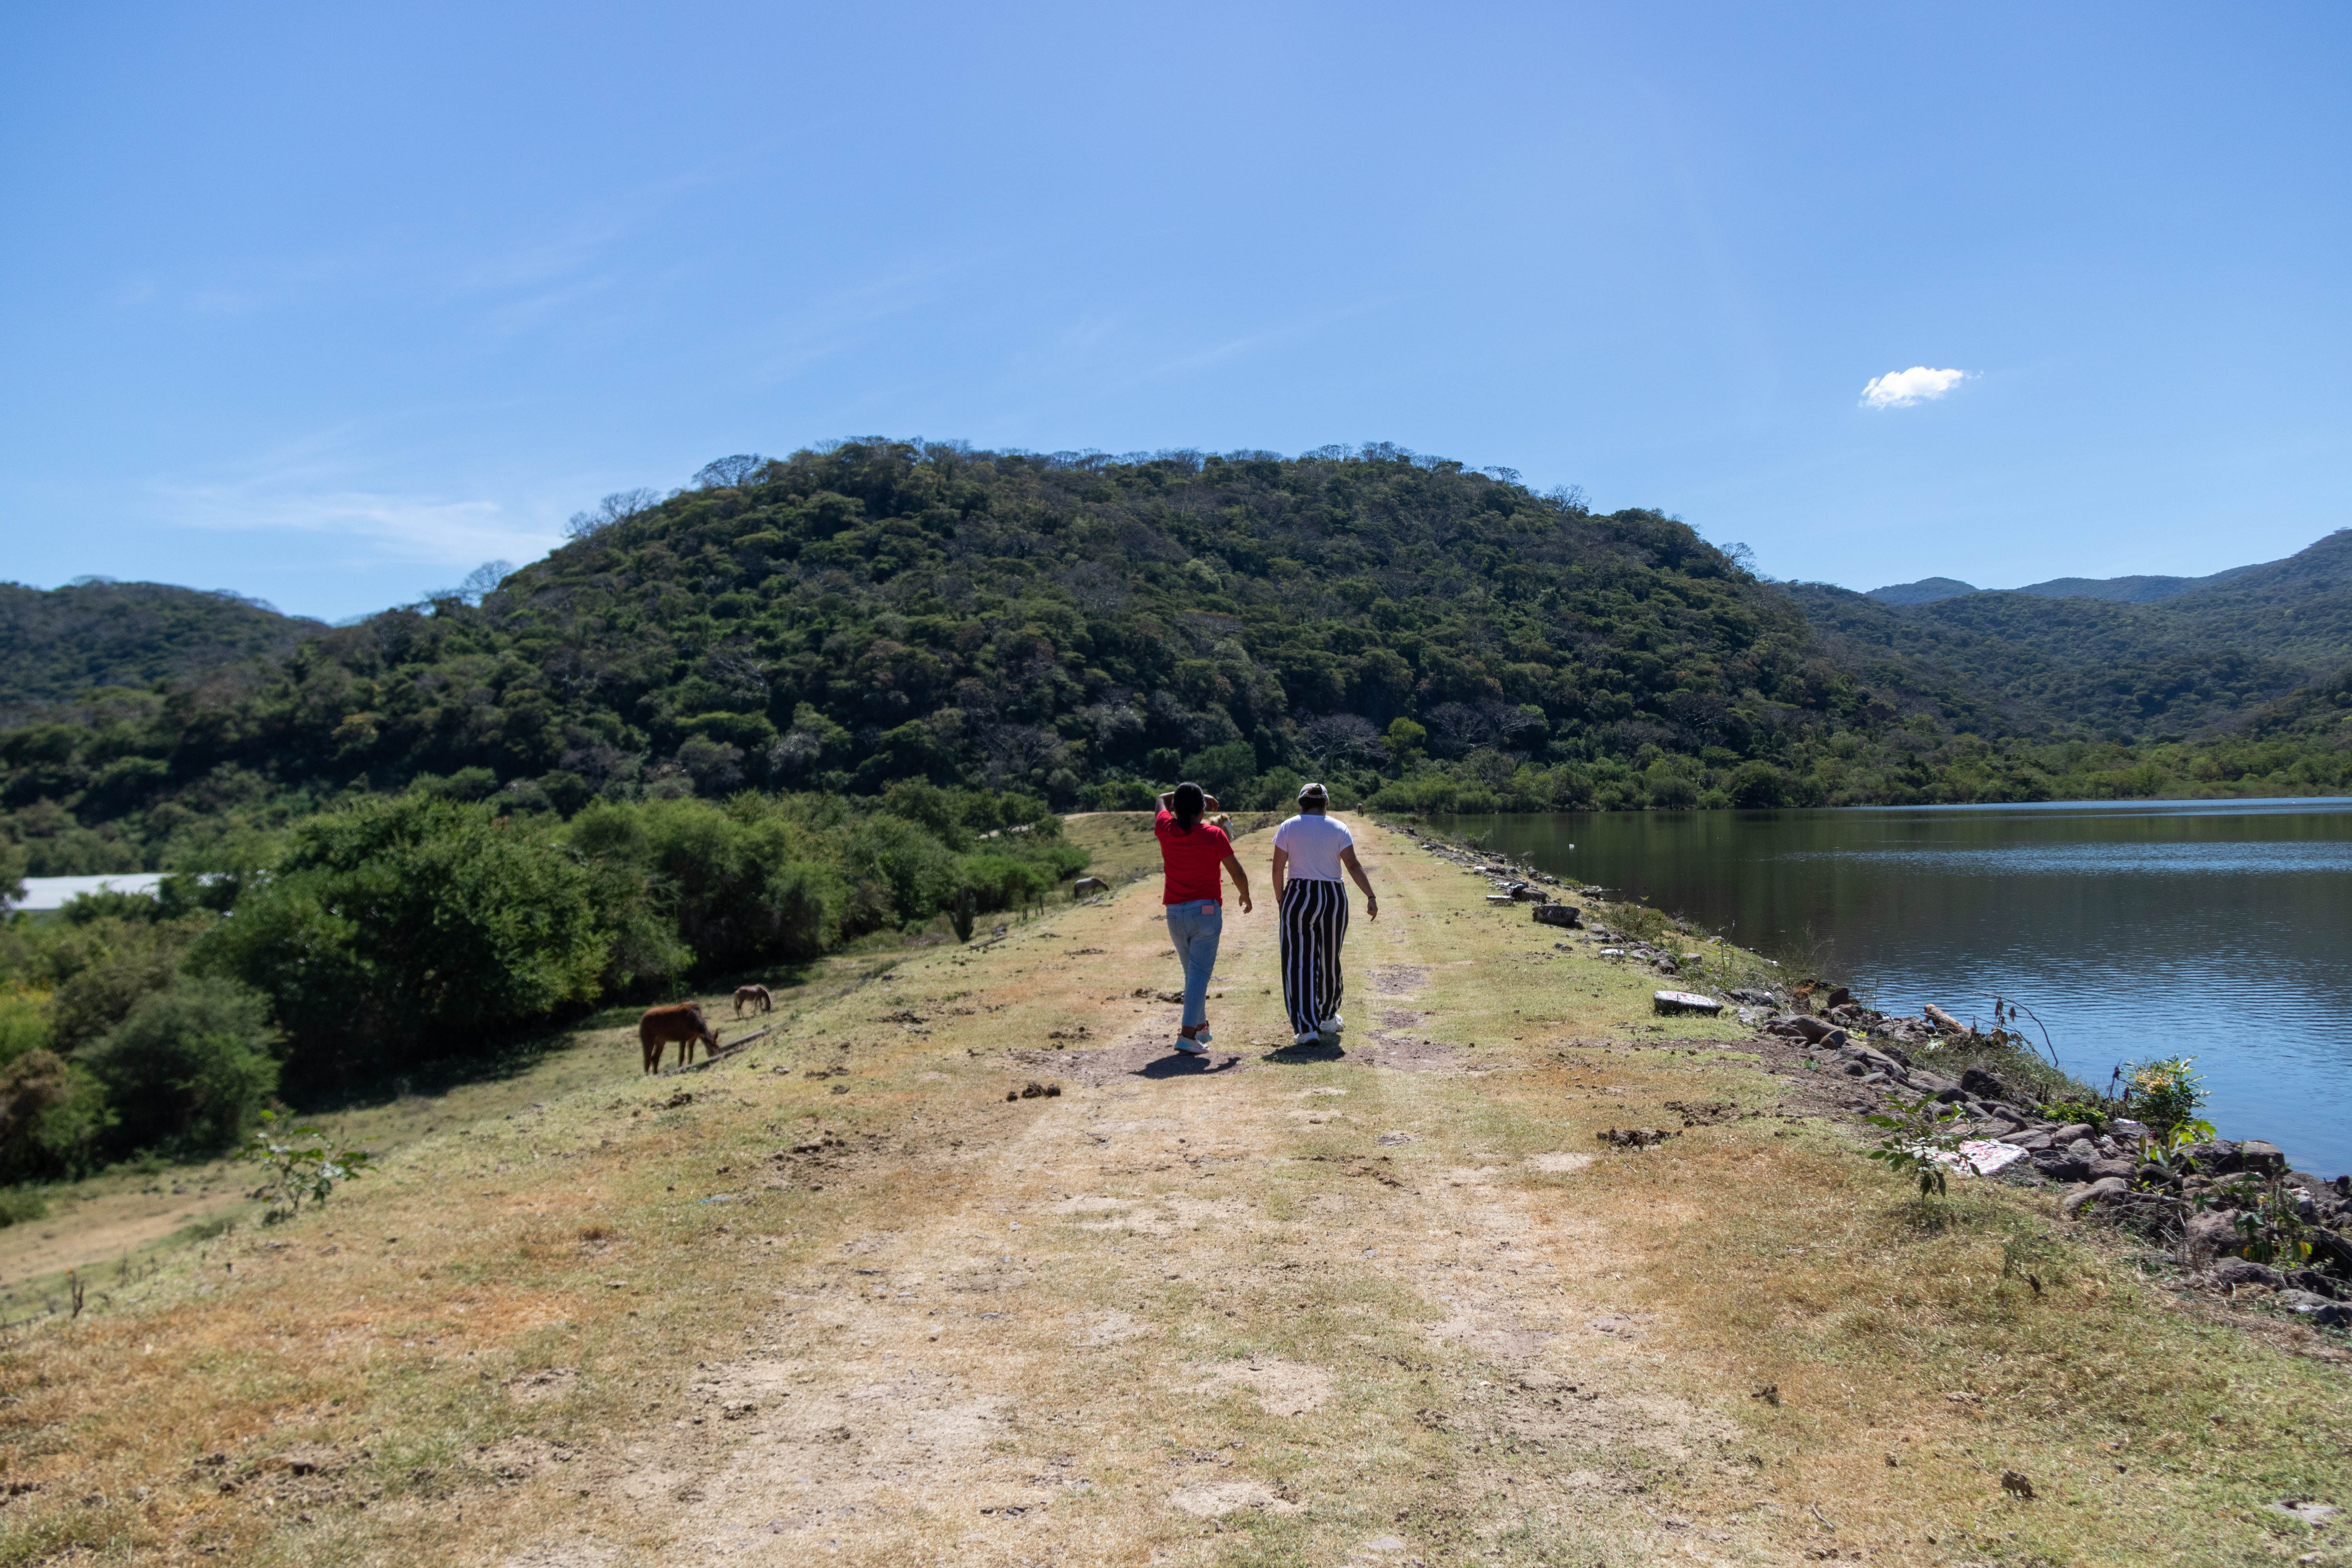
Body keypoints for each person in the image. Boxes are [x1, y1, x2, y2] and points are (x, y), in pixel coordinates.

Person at [1269, 781, 1377, 1048]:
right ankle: (1327, 1017)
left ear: (1301, 804)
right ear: (1326, 804)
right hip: (1333, 897)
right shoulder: (1339, 828)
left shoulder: (1289, 826)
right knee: (1330, 957)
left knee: (1298, 961)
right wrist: (1371, 896)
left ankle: (1307, 1029)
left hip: (1298, 894)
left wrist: (1281, 898)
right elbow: (1352, 865)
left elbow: (1278, 868)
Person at [1153, 782, 1253, 1055]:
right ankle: (1187, 1035)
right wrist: (1245, 894)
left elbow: (1161, 799)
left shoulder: (1165, 829)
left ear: (1175, 809)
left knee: (1192, 973)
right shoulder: (1214, 834)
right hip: (1206, 913)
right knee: (1199, 974)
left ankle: (1201, 1027)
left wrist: (1199, 798)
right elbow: (1237, 872)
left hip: (1175, 913)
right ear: (1203, 809)